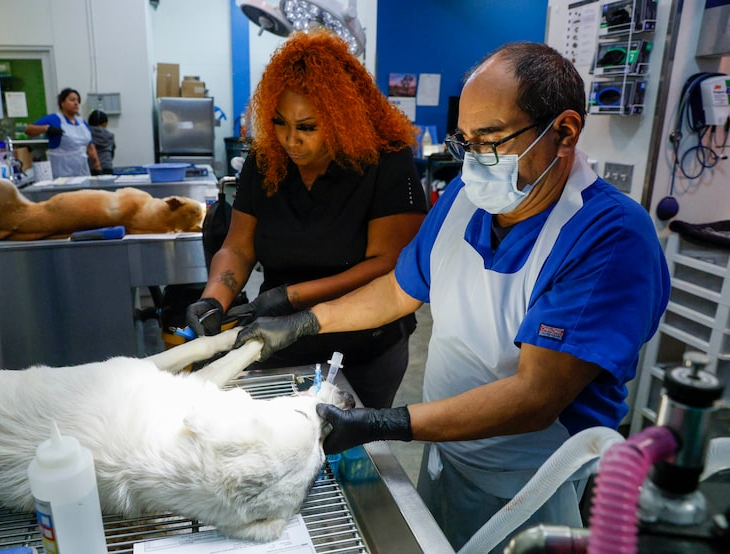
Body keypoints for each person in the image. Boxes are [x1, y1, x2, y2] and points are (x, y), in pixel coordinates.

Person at [234, 41, 670, 550]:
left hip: (534, 485)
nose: (476, 162)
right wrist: (304, 322)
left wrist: (384, 422)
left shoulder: (609, 237)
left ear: (564, 132)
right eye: (465, 142)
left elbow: (535, 397)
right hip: (447, 452)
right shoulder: (465, 200)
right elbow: (397, 292)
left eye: (491, 140)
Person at [185, 30, 427, 409]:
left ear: (342, 119)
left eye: (307, 127)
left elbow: (388, 263)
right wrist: (215, 297)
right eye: (280, 123)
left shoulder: (385, 163)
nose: (290, 140)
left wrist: (291, 298)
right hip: (275, 340)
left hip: (364, 343)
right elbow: (237, 246)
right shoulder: (264, 164)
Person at [25, 88, 101, 177]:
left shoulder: (82, 123)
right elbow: (28, 130)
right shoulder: (54, 119)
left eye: (78, 101)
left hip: (82, 173)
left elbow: (90, 147)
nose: (76, 103)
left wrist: (97, 166)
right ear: (62, 103)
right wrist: (47, 128)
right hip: (61, 174)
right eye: (72, 100)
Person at [87, 109, 115, 175]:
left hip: (91, 167)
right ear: (105, 123)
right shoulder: (110, 136)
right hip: (107, 166)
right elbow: (112, 153)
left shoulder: (87, 134)